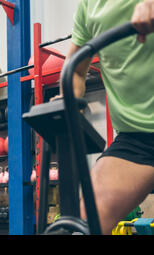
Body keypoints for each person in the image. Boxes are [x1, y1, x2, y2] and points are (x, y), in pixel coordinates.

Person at [57, 0, 154, 234]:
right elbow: (77, 70)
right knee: (82, 226)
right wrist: (68, 101)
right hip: (134, 139)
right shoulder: (89, 6)